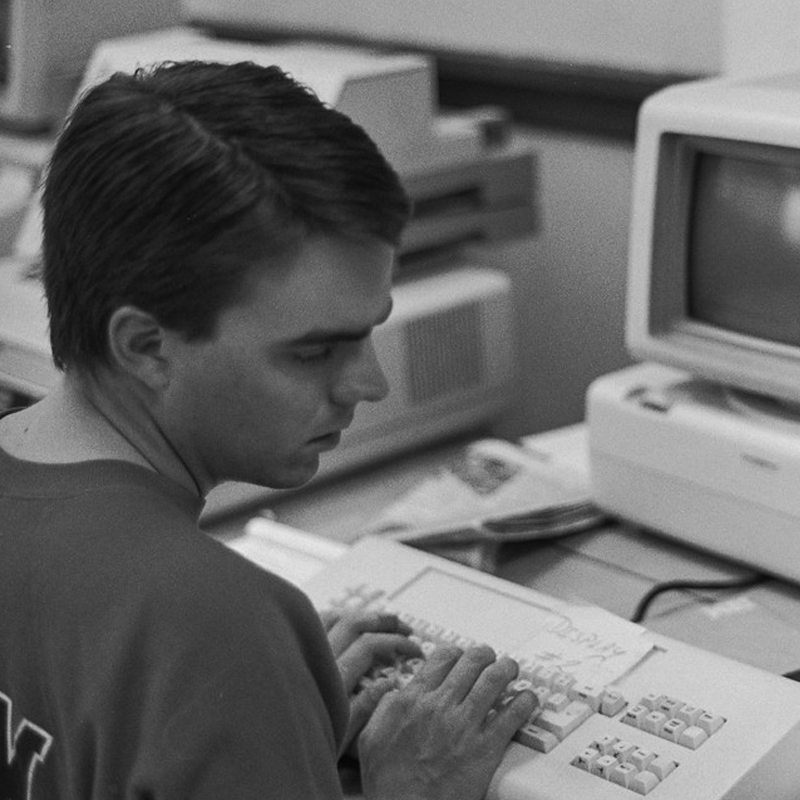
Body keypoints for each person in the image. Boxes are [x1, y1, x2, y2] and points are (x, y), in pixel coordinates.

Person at [0, 60, 536, 799]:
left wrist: (268, 725)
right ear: (146, 346)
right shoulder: (217, 628)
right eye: (315, 350)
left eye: (369, 332)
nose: (368, 384)